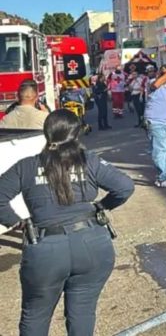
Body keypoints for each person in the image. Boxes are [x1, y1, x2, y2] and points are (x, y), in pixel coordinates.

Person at [0, 110, 134, 336]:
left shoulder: (27, 166)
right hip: (92, 243)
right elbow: (125, 187)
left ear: (46, 133)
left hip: (46, 249)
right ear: (77, 134)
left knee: (36, 315)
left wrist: (17, 222)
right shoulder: (89, 161)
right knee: (82, 311)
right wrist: (102, 206)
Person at [145, 65, 166, 188]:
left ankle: (164, 175)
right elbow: (154, 86)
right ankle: (162, 178)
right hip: (156, 122)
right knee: (160, 150)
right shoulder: (152, 83)